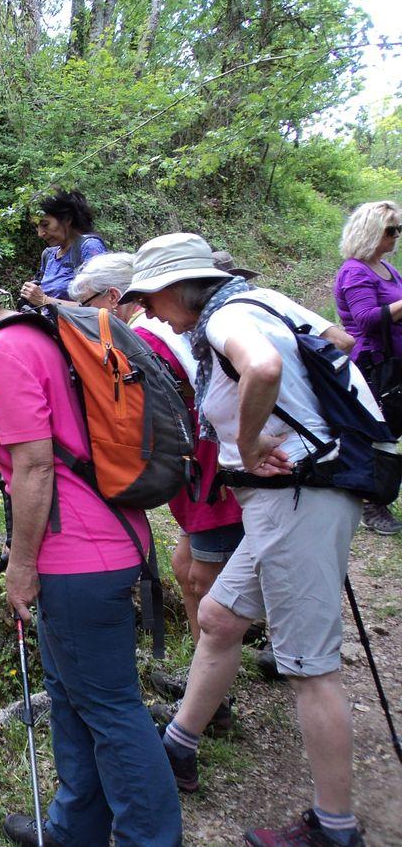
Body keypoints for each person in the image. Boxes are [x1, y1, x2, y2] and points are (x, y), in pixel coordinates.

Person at [0, 244, 182, 847]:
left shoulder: (2, 351)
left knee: (109, 709)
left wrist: (22, 566)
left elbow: (34, 466)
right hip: (102, 540)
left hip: (77, 555)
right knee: (73, 698)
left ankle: (149, 838)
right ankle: (73, 829)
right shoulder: (33, 333)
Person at [121, 233, 367, 846]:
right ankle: (179, 747)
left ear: (179, 287)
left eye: (151, 297)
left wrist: (256, 440)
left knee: (310, 668)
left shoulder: (228, 316)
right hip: (294, 497)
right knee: (222, 619)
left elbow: (263, 366)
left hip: (298, 496)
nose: (148, 311)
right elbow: (338, 342)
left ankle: (335, 828)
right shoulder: (263, 301)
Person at [70, 252, 244, 730]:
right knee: (187, 567)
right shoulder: (158, 330)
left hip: (210, 470)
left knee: (209, 587)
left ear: (110, 298)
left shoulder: (143, 336)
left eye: (84, 302)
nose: (80, 312)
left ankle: (211, 707)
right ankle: (203, 683)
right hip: (201, 468)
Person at [334, 200, 402, 535]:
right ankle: (373, 503)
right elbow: (366, 319)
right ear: (371, 231)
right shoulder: (354, 271)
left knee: (391, 428)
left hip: (394, 362)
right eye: (391, 230)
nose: (396, 236)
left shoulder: (387, 269)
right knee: (381, 433)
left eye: (398, 229)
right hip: (372, 364)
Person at [19, 188, 106, 309]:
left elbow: (99, 307)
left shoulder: (89, 247)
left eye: (45, 224)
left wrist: (44, 300)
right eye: (36, 226)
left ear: (67, 218)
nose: (40, 233)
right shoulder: (49, 255)